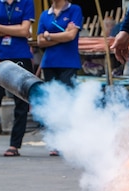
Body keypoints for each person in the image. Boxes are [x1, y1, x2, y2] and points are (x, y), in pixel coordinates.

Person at [0, 0, 35, 157]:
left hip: (21, 55)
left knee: (21, 103)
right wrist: (13, 30)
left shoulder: (26, 2)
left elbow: (25, 31)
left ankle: (14, 145)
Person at [37, 0, 83, 157]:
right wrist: (60, 36)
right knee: (52, 101)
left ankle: (70, 140)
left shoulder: (75, 10)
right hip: (49, 63)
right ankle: (55, 142)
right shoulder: (45, 14)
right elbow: (39, 41)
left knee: (68, 100)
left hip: (69, 62)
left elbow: (71, 36)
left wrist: (49, 36)